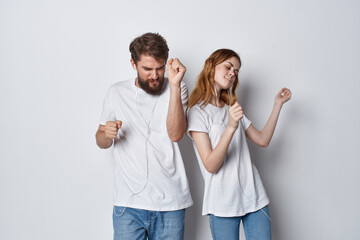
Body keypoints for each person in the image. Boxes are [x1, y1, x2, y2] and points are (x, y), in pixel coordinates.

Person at [96, 32, 193, 240]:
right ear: (133, 64)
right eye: (147, 69)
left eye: (160, 68)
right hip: (128, 205)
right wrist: (107, 133)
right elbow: (101, 141)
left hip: (171, 203)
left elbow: (176, 134)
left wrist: (175, 85)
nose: (155, 75)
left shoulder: (178, 87)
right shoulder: (116, 92)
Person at [186, 49, 291, 240]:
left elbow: (263, 140)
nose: (233, 73)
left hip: (255, 196)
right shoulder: (197, 112)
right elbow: (210, 164)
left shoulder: (231, 108)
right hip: (222, 203)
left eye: (236, 70)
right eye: (228, 67)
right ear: (211, 66)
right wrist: (231, 127)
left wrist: (278, 104)